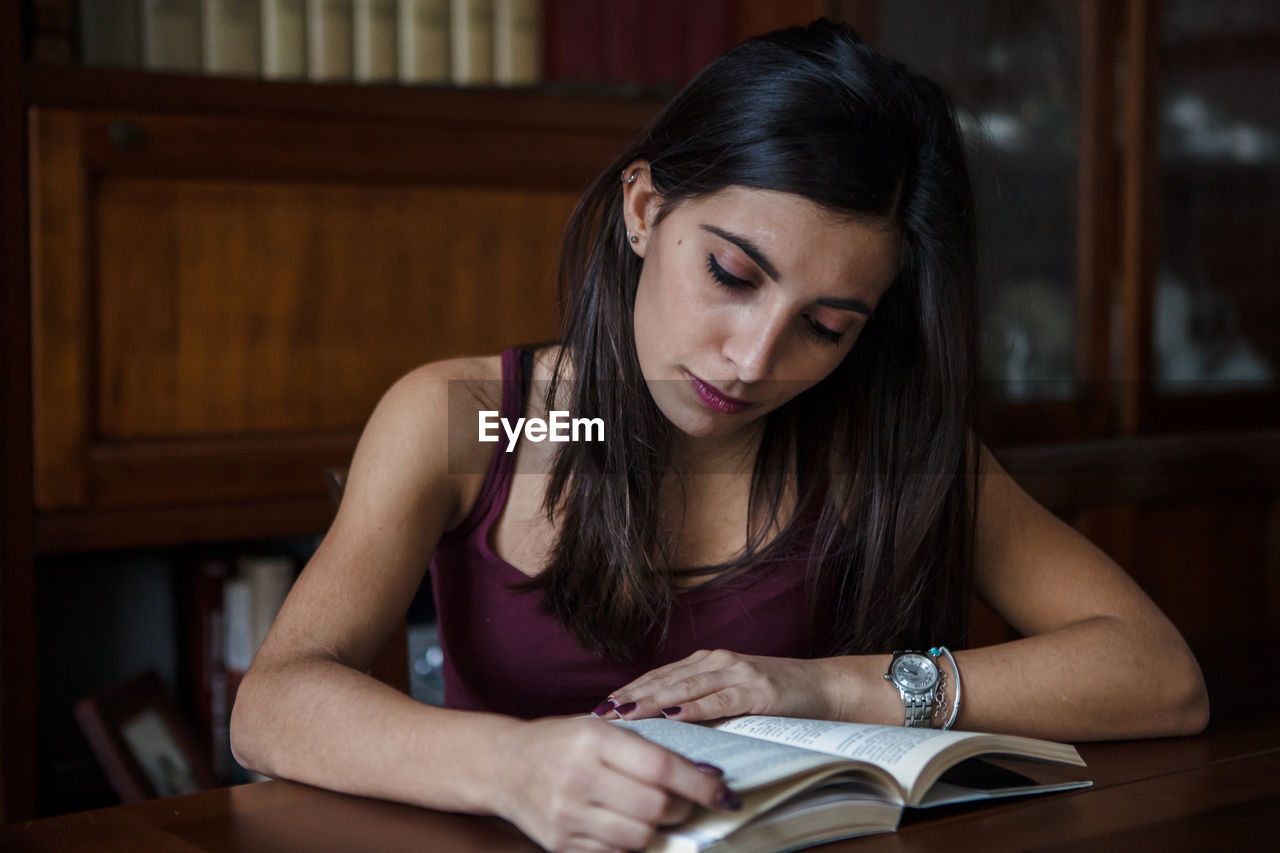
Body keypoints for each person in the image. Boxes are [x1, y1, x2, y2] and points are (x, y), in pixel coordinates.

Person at [229, 18, 1209, 853]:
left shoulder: (879, 440)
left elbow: (1156, 678)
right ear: (645, 209)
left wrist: (825, 690)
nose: (751, 359)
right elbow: (272, 705)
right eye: (733, 276)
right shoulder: (486, 420)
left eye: (824, 326)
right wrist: (511, 764)